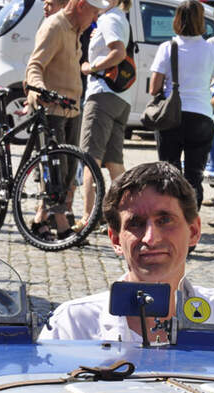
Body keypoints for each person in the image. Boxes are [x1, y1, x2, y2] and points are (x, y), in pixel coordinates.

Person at [39, 161, 214, 342]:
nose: (150, 238)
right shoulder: (74, 326)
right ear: (115, 239)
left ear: (193, 231)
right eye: (135, 224)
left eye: (165, 220)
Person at [24, 0, 108, 239]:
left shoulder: (75, 30)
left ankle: (41, 219)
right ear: (80, 5)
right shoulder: (55, 27)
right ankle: (61, 227)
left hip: (71, 110)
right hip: (52, 111)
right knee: (55, 170)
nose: (94, 19)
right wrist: (39, 89)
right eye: (93, 12)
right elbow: (35, 65)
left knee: (69, 172)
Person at [149, 0, 214, 209]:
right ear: (201, 20)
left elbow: (153, 88)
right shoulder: (211, 50)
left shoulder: (167, 48)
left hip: (171, 117)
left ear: (177, 20)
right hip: (201, 116)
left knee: (169, 173)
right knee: (194, 175)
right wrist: (209, 105)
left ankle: (171, 218)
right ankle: (191, 224)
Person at [75, 0, 132, 233]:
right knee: (114, 162)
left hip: (102, 95)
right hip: (119, 97)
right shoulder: (119, 17)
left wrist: (92, 67)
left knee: (90, 158)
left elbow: (118, 52)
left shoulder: (109, 19)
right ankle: (127, 214)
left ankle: (88, 217)